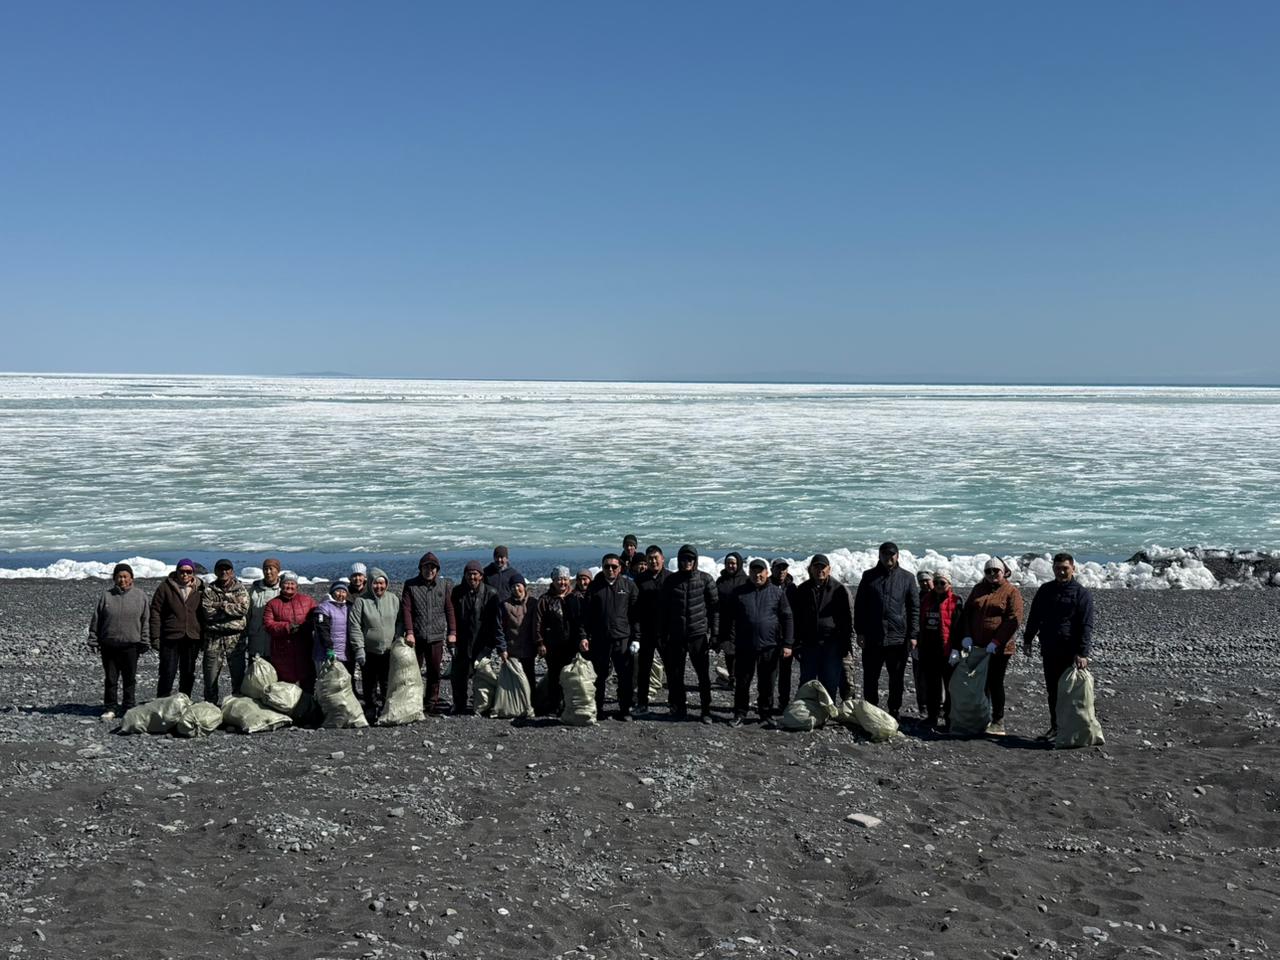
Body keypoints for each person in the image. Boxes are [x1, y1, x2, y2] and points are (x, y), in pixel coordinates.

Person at [1023, 553, 1095, 741]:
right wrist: (1028, 639)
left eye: (1065, 568)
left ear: (1073, 569)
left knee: (1071, 693)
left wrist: (1083, 652)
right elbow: (1034, 616)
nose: (1061, 572)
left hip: (1071, 651)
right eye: (1057, 568)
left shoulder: (1081, 593)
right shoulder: (1045, 590)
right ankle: (1056, 728)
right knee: (1053, 691)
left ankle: (1072, 730)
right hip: (1049, 648)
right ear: (1053, 569)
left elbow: (1086, 625)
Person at [853, 542, 920, 722]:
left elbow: (914, 608)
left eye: (891, 554)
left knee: (896, 678)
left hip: (898, 638)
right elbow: (860, 606)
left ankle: (894, 710)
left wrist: (913, 635)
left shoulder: (907, 578)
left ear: (897, 556)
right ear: (879, 555)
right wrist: (860, 631)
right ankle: (871, 710)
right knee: (870, 677)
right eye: (884, 554)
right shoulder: (869, 576)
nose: (888, 557)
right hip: (873, 637)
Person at [959, 557, 1024, 736]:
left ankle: (998, 720)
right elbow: (967, 613)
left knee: (995, 682)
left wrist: (997, 641)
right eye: (988, 571)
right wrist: (966, 636)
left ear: (1004, 572)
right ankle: (981, 716)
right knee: (979, 682)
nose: (992, 574)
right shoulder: (978, 589)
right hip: (977, 646)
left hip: (1000, 648)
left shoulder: (1011, 591)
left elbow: (1014, 619)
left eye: (996, 571)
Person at [727, 558, 794, 726]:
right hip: (745, 645)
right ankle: (740, 713)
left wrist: (787, 643)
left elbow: (787, 618)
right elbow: (729, 618)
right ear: (749, 573)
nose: (757, 575)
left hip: (769, 646)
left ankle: (766, 713)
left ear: (767, 573)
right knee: (742, 682)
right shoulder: (739, 592)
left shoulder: (777, 593)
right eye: (754, 571)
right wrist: (727, 641)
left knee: (767, 683)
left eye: (760, 572)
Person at [659, 545, 719, 722]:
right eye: (683, 559)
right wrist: (662, 633)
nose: (687, 562)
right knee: (676, 675)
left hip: (698, 635)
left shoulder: (705, 579)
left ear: (695, 561)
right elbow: (663, 610)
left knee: (703, 676)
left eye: (690, 559)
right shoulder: (671, 581)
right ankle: (680, 708)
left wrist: (715, 634)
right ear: (679, 561)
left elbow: (715, 609)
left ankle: (705, 710)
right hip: (676, 635)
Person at [579, 553, 640, 721]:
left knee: (625, 676)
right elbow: (586, 616)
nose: (610, 569)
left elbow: (635, 615)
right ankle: (598, 709)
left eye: (614, 566)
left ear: (620, 568)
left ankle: (625, 709)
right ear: (602, 567)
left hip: (622, 639)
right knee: (599, 676)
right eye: (607, 566)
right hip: (600, 639)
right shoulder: (594, 587)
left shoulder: (628, 586)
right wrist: (583, 636)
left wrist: (636, 638)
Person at [87, 562, 149, 720]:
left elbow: (145, 620)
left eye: (125, 576)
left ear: (131, 578)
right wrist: (93, 639)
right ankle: (110, 707)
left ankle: (128, 706)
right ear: (114, 579)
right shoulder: (106, 596)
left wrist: (145, 640)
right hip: (109, 645)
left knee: (130, 679)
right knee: (111, 678)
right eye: (119, 577)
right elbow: (97, 619)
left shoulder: (140, 596)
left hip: (131, 645)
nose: (122, 580)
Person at [790, 554, 853, 702]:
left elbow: (847, 619)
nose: (820, 570)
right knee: (807, 682)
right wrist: (796, 643)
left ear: (829, 569)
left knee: (830, 682)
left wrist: (845, 644)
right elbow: (796, 619)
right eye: (816, 567)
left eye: (823, 567)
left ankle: (827, 711)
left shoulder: (839, 589)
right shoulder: (803, 589)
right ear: (810, 569)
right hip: (809, 644)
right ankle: (806, 711)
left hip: (832, 644)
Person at [401, 551, 456, 714]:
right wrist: (409, 631)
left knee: (434, 672)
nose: (429, 570)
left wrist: (452, 631)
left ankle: (431, 701)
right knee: (413, 671)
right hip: (416, 637)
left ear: (437, 569)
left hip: (436, 636)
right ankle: (414, 700)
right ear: (421, 568)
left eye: (433, 567)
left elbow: (449, 609)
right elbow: (406, 610)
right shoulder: (411, 585)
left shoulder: (444, 585)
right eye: (426, 567)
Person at [451, 559, 507, 714]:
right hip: (462, 641)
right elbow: (452, 617)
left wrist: (492, 644)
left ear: (481, 576)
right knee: (458, 675)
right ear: (464, 575)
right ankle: (459, 704)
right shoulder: (457, 592)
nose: (472, 577)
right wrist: (452, 636)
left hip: (482, 642)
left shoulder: (491, 593)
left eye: (475, 574)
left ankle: (481, 705)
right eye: (469, 574)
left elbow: (495, 621)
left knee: (483, 676)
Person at [348, 567, 403, 718]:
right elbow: (355, 626)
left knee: (387, 681)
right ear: (370, 583)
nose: (379, 586)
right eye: (375, 583)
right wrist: (359, 649)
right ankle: (370, 708)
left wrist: (398, 638)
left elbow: (400, 621)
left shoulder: (393, 599)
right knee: (369, 682)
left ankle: (386, 708)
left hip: (389, 649)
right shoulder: (361, 601)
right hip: (369, 650)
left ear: (386, 584)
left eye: (382, 583)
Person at [150, 558, 204, 697]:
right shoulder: (165, 587)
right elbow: (155, 611)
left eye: (189, 572)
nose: (185, 574)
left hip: (192, 636)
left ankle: (184, 700)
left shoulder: (200, 588)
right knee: (167, 672)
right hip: (170, 636)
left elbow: (204, 614)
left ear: (193, 573)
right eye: (182, 571)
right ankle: (162, 702)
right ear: (177, 571)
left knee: (188, 672)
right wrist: (155, 636)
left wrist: (204, 637)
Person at [917, 571, 963, 730]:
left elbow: (959, 628)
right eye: (936, 582)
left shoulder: (955, 601)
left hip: (947, 651)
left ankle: (950, 718)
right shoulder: (926, 600)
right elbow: (920, 623)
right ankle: (932, 716)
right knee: (932, 686)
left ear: (949, 584)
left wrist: (957, 649)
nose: (938, 586)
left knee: (950, 687)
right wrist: (918, 644)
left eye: (942, 583)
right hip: (929, 650)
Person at [200, 559, 250, 703]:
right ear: (216, 571)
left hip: (235, 639)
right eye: (221, 569)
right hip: (213, 639)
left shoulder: (240, 589)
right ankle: (210, 707)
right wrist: (230, 608)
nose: (224, 572)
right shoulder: (209, 590)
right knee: (210, 678)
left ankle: (237, 706)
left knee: (238, 677)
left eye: (227, 569)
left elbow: (243, 609)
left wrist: (221, 606)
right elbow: (207, 613)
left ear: (232, 571)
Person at [535, 566, 578, 715]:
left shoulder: (575, 597)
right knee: (554, 675)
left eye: (565, 579)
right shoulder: (545, 600)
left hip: (571, 645)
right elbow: (538, 623)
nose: (562, 582)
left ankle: (569, 704)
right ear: (553, 580)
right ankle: (554, 705)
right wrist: (540, 642)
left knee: (571, 675)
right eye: (559, 579)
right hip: (552, 645)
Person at [263, 571, 317, 687]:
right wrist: (287, 627)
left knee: (308, 683)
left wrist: (307, 626)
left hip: (305, 649)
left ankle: (308, 698)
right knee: (285, 687)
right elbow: (267, 625)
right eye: (286, 583)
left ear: (297, 586)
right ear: (280, 585)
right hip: (282, 652)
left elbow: (317, 618)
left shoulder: (308, 601)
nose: (289, 586)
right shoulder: (272, 604)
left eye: (292, 584)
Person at [633, 545, 668, 715]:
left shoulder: (671, 578)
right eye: (650, 558)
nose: (653, 561)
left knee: (672, 668)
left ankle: (676, 703)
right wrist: (636, 633)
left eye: (656, 558)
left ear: (662, 559)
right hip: (646, 631)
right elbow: (635, 607)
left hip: (666, 631)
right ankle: (642, 703)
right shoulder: (640, 580)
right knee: (644, 669)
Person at [241, 557, 282, 686]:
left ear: (278, 571)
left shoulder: (283, 589)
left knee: (274, 677)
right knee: (255, 677)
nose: (268, 572)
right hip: (256, 639)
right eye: (265, 569)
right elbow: (247, 613)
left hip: (275, 642)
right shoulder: (255, 588)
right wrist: (244, 634)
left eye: (271, 569)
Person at [501, 574, 538, 689]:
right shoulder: (505, 605)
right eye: (513, 587)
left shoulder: (533, 603)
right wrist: (502, 648)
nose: (516, 589)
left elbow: (538, 625)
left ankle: (531, 700)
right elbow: (500, 628)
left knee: (529, 678)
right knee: (514, 681)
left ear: (524, 586)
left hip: (529, 649)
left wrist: (539, 644)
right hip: (512, 649)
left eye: (518, 585)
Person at [716, 552, 748, 685]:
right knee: (729, 652)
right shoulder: (720, 580)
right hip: (725, 622)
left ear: (739, 564)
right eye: (728, 563)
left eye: (733, 563)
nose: (731, 566)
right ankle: (732, 677)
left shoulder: (746, 580)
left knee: (741, 653)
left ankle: (742, 678)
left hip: (741, 622)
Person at [770, 560, 799, 707]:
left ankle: (784, 702)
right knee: (769, 672)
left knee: (785, 672)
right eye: (778, 568)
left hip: (787, 636)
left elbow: (797, 614)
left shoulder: (792, 588)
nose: (781, 571)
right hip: (770, 636)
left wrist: (794, 638)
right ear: (772, 570)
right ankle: (767, 703)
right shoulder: (767, 586)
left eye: (784, 568)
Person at [311, 579, 354, 676]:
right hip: (325, 654)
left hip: (344, 653)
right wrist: (329, 648)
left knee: (343, 681)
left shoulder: (348, 608)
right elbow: (322, 630)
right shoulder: (323, 608)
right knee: (327, 681)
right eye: (338, 591)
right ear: (332, 592)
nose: (341, 594)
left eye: (343, 592)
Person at [911, 570, 935, 716]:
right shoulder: (916, 598)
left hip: (936, 643)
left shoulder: (940, 597)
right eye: (921, 581)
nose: (924, 583)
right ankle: (923, 705)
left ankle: (939, 705)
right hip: (919, 642)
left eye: (927, 580)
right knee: (920, 675)